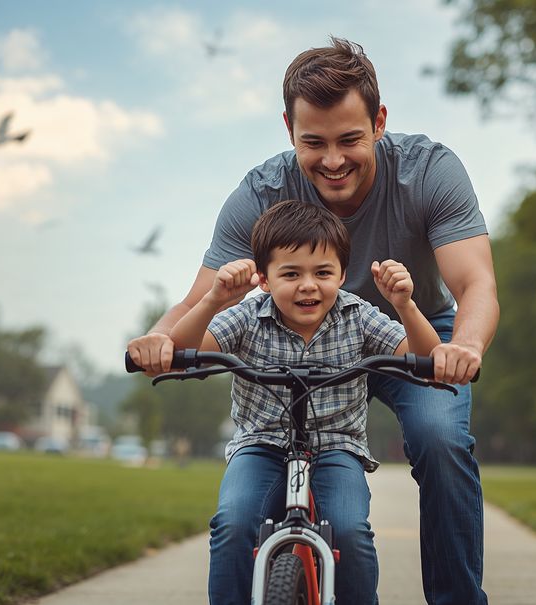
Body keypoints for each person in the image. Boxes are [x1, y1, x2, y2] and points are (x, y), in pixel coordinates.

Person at [126, 37, 499, 605]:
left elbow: (475, 284)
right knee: (246, 502)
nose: (332, 160)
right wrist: (157, 339)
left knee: (439, 435)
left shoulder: (429, 171)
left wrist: (464, 347)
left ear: (379, 121)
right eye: (313, 142)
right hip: (295, 344)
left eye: (350, 138)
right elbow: (199, 301)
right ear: (288, 129)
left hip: (409, 333)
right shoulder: (262, 193)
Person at [169, 200, 441, 604]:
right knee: (233, 522)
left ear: (343, 275)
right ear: (264, 278)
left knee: (349, 529)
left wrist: (405, 304)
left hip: (337, 448)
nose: (308, 285)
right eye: (290, 273)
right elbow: (182, 348)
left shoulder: (359, 316)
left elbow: (426, 360)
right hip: (260, 445)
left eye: (323, 273)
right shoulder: (247, 317)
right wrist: (213, 300)